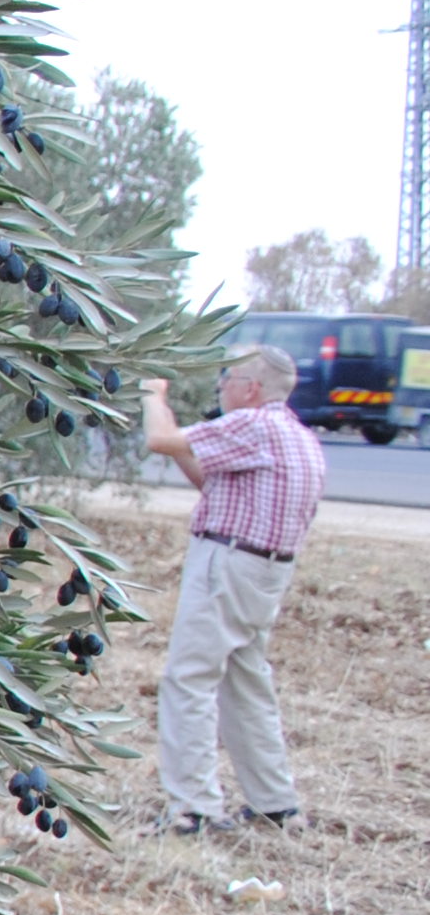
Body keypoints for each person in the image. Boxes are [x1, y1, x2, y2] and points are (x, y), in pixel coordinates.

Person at [138, 347, 327, 833]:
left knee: (189, 679)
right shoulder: (297, 436)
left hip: (227, 563)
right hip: (264, 573)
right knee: (246, 684)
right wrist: (181, 432)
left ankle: (194, 809)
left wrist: (151, 393)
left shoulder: (254, 426)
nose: (221, 387)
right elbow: (214, 485)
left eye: (227, 379)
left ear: (252, 387)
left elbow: (158, 439)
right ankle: (275, 802)